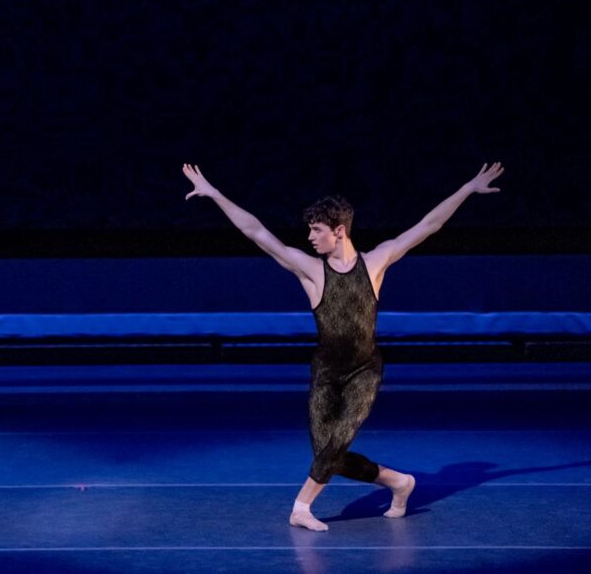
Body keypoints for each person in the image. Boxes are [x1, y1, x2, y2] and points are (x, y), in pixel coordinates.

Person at [182, 162, 504, 531]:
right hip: (326, 374)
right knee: (329, 455)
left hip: (364, 372)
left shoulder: (376, 262)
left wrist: (467, 188)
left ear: (339, 231)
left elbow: (428, 225)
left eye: (316, 229)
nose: (309, 237)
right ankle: (400, 482)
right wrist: (214, 193)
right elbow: (256, 231)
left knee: (337, 441)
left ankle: (301, 507)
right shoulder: (311, 271)